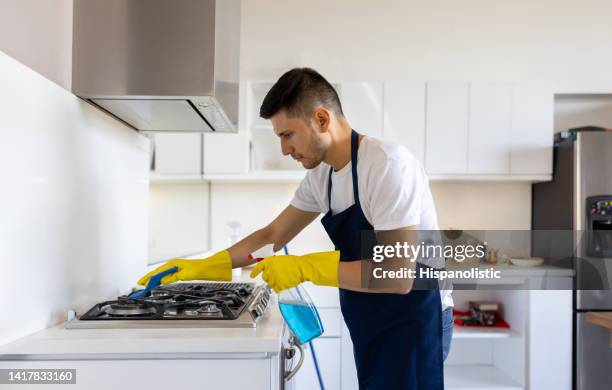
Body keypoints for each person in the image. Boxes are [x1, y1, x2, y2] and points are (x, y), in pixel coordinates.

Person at [138, 68, 453, 389]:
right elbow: (272, 236)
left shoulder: (386, 165)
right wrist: (206, 266)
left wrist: (305, 267)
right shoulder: (323, 176)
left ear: (321, 119)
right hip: (373, 315)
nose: (284, 150)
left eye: (287, 134)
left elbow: (397, 275)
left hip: (414, 317)